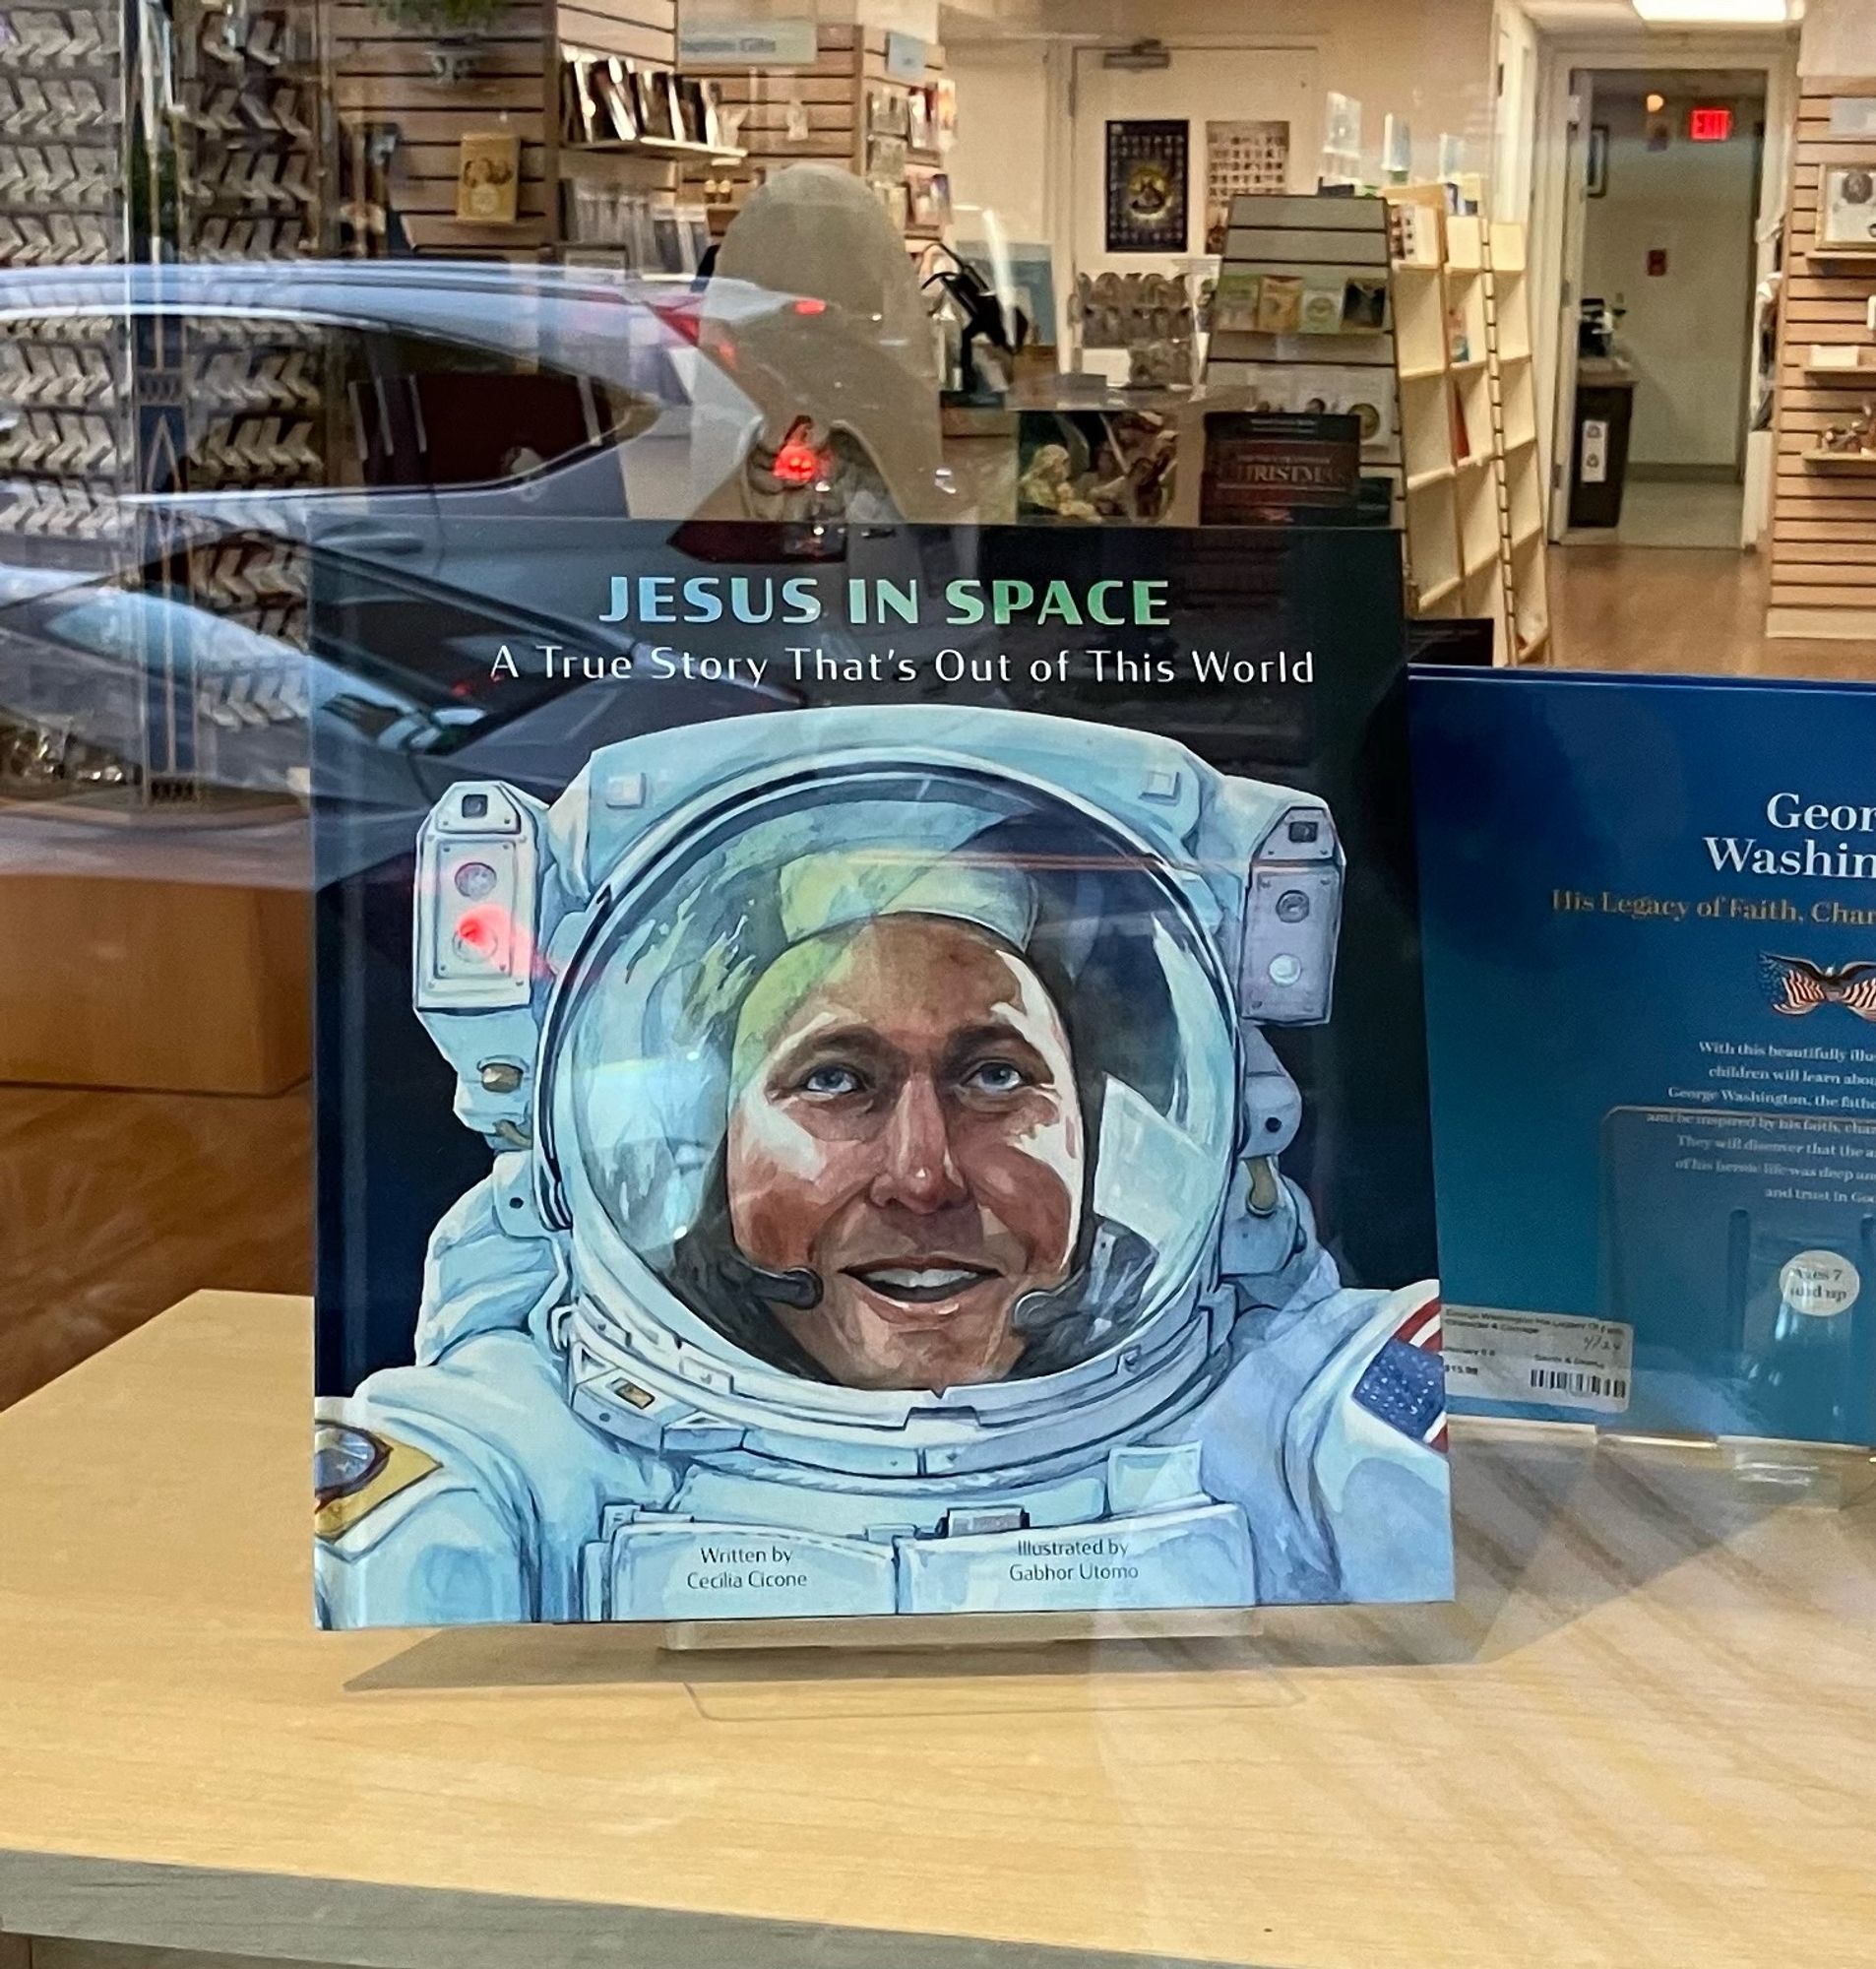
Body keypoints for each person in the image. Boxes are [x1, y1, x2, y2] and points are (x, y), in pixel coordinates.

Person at [313, 706, 1450, 1626]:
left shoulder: (1279, 1414)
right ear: (712, 1144)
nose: (923, 1177)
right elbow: (411, 1516)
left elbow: (1414, 1456)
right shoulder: (537, 1448)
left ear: (1095, 1134)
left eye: (996, 1077)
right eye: (835, 1079)